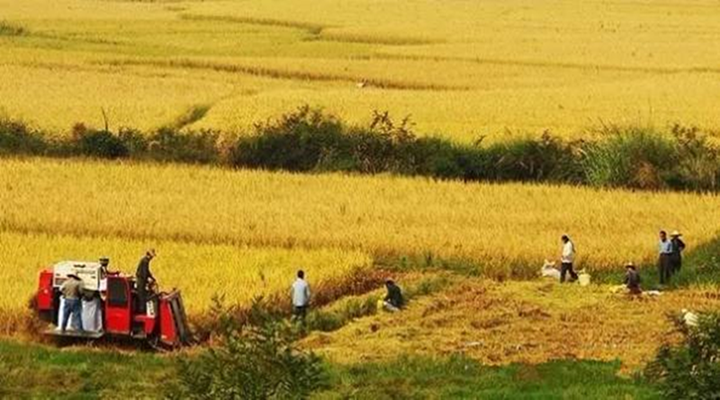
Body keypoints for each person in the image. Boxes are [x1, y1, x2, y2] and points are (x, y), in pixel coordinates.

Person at [135, 249, 156, 313]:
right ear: (149, 255)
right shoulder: (145, 261)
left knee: (143, 295)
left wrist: (152, 277)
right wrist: (148, 281)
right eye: (152, 256)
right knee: (142, 297)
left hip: (141, 280)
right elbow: (144, 273)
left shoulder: (145, 260)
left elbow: (147, 272)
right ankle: (142, 311)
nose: (152, 258)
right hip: (141, 281)